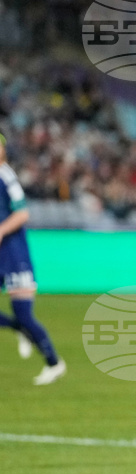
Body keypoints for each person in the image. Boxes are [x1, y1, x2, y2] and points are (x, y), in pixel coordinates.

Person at [0, 132, 65, 385]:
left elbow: (23, 213)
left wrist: (2, 230)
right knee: (22, 319)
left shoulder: (6, 176)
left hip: (14, 253)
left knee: (24, 313)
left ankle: (54, 363)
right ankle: (19, 329)